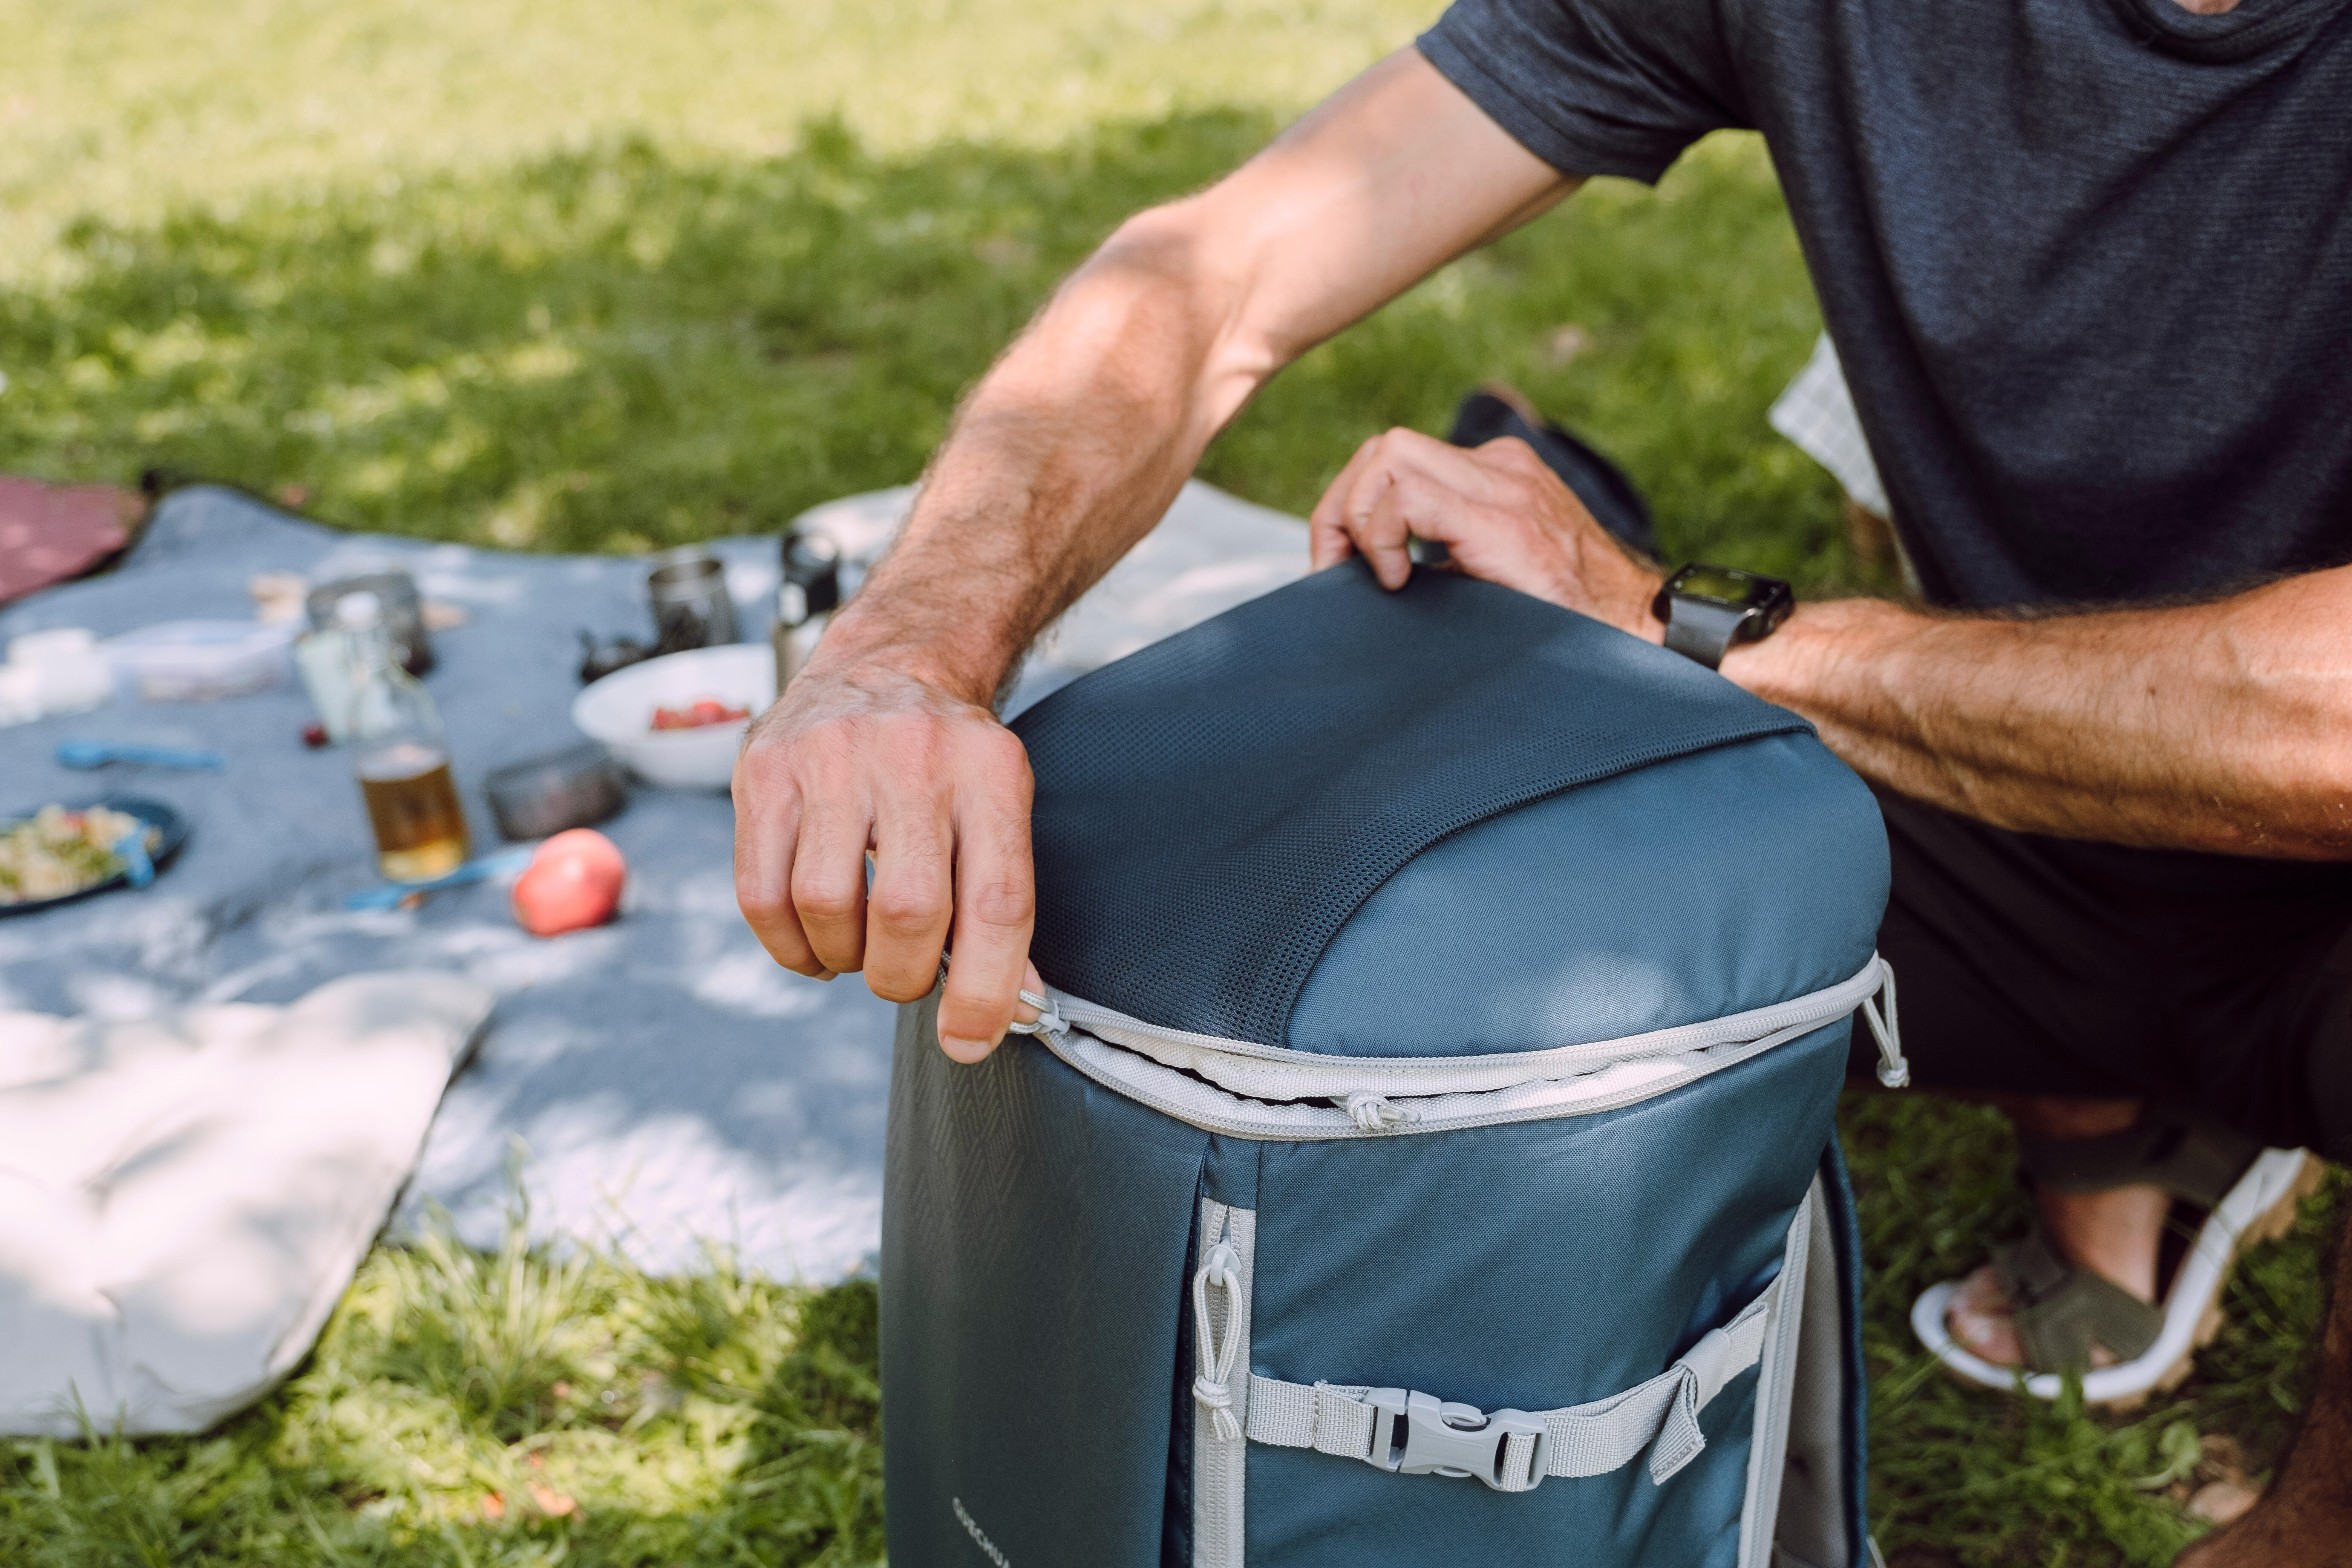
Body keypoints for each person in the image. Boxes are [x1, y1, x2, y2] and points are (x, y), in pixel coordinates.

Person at [732, 2, 2352, 1559]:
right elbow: (1215, 272)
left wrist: (1682, 623)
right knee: (1417, 806)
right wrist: (909, 647)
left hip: (2307, 869)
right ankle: (2110, 1126)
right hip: (2011, 791)